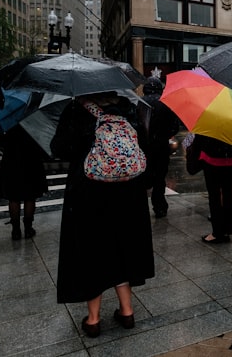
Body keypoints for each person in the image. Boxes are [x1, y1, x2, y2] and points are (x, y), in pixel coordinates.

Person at [51, 92, 155, 338]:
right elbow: (145, 146)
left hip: (89, 193)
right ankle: (127, 311)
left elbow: (60, 148)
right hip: (129, 193)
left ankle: (94, 319)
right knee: (123, 248)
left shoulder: (77, 109)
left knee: (92, 251)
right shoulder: (128, 109)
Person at [0, 125, 48, 240]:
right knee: (30, 197)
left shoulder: (7, 121)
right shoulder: (33, 119)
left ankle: (15, 231)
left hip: (12, 163)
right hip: (31, 162)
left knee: (14, 198)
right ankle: (28, 229)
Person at [142, 76, 182, 218]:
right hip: (161, 146)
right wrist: (165, 134)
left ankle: (141, 207)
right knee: (160, 178)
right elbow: (175, 127)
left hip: (143, 147)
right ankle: (159, 207)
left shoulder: (139, 103)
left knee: (142, 177)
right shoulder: (167, 104)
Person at [191, 133, 232, 243]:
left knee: (214, 195)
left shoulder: (209, 118)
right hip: (230, 156)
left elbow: (199, 139)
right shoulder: (231, 118)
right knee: (228, 193)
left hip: (212, 156)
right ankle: (227, 229)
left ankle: (217, 232)